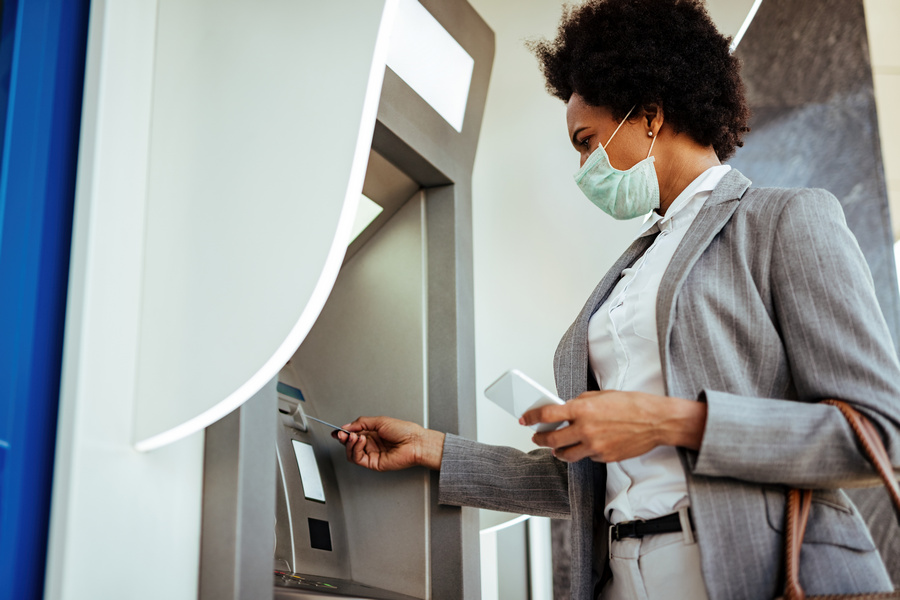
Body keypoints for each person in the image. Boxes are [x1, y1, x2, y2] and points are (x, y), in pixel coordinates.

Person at [333, 1, 900, 598]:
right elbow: (588, 481)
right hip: (623, 572)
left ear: (650, 116)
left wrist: (669, 422)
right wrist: (435, 449)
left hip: (756, 571)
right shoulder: (635, 264)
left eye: (587, 142)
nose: (583, 167)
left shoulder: (785, 220)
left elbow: (879, 436)